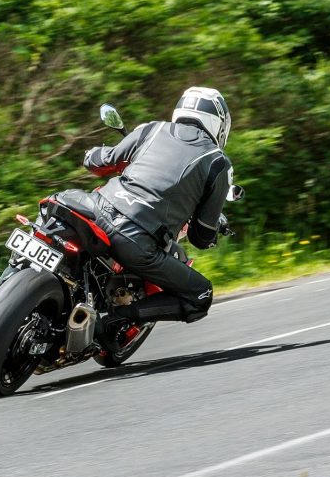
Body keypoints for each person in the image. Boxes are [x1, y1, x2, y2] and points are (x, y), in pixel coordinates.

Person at [83, 86, 233, 328]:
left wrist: (91, 154)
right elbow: (201, 238)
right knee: (201, 295)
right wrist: (212, 228)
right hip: (135, 239)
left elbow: (101, 163)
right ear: (219, 123)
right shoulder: (218, 162)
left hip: (92, 208)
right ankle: (113, 322)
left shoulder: (152, 128)